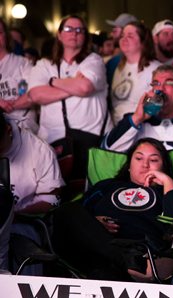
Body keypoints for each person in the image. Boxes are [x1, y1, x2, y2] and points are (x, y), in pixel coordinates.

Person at [52, 138, 173, 281]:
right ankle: (124, 260)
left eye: (154, 160)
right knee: (66, 209)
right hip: (108, 252)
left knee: (103, 274)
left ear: (164, 167)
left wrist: (168, 182)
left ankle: (122, 262)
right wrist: (93, 222)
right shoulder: (107, 186)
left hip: (142, 252)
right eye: (138, 158)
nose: (145, 165)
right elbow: (74, 215)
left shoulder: (167, 193)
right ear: (129, 165)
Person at [27, 15, 110, 182]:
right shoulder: (44, 64)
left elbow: (85, 87)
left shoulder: (93, 60)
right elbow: (36, 95)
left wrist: (52, 82)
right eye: (69, 29)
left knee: (89, 191)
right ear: (59, 34)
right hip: (52, 138)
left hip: (90, 135)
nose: (74, 33)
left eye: (79, 30)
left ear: (85, 35)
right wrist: (74, 86)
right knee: (56, 192)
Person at [104, 64, 173, 172]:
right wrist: (137, 118)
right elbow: (108, 151)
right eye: (155, 83)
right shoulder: (137, 118)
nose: (160, 88)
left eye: (169, 83)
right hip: (143, 188)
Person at [0, 112, 64, 271]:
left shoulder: (39, 150)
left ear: (8, 130)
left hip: (22, 221)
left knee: (27, 247)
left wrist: (15, 213)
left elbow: (52, 200)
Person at [111, 21, 161, 125]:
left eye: (130, 36)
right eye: (122, 35)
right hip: (118, 130)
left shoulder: (155, 69)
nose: (124, 39)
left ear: (143, 42)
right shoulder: (119, 67)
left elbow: (157, 106)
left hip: (142, 129)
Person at [0, 18, 36, 133]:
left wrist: (12, 104)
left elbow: (32, 92)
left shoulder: (23, 63)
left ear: (6, 36)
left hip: (24, 127)